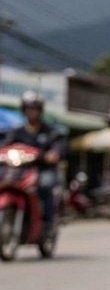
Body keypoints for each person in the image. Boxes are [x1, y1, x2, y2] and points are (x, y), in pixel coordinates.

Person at [1, 91, 65, 231]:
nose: (31, 111)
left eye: (34, 108)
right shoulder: (16, 131)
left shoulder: (50, 132)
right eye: (28, 108)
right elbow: (5, 146)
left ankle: (47, 221)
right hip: (19, 170)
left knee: (45, 185)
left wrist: (51, 154)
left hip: (42, 169)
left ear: (40, 110)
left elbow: (56, 150)